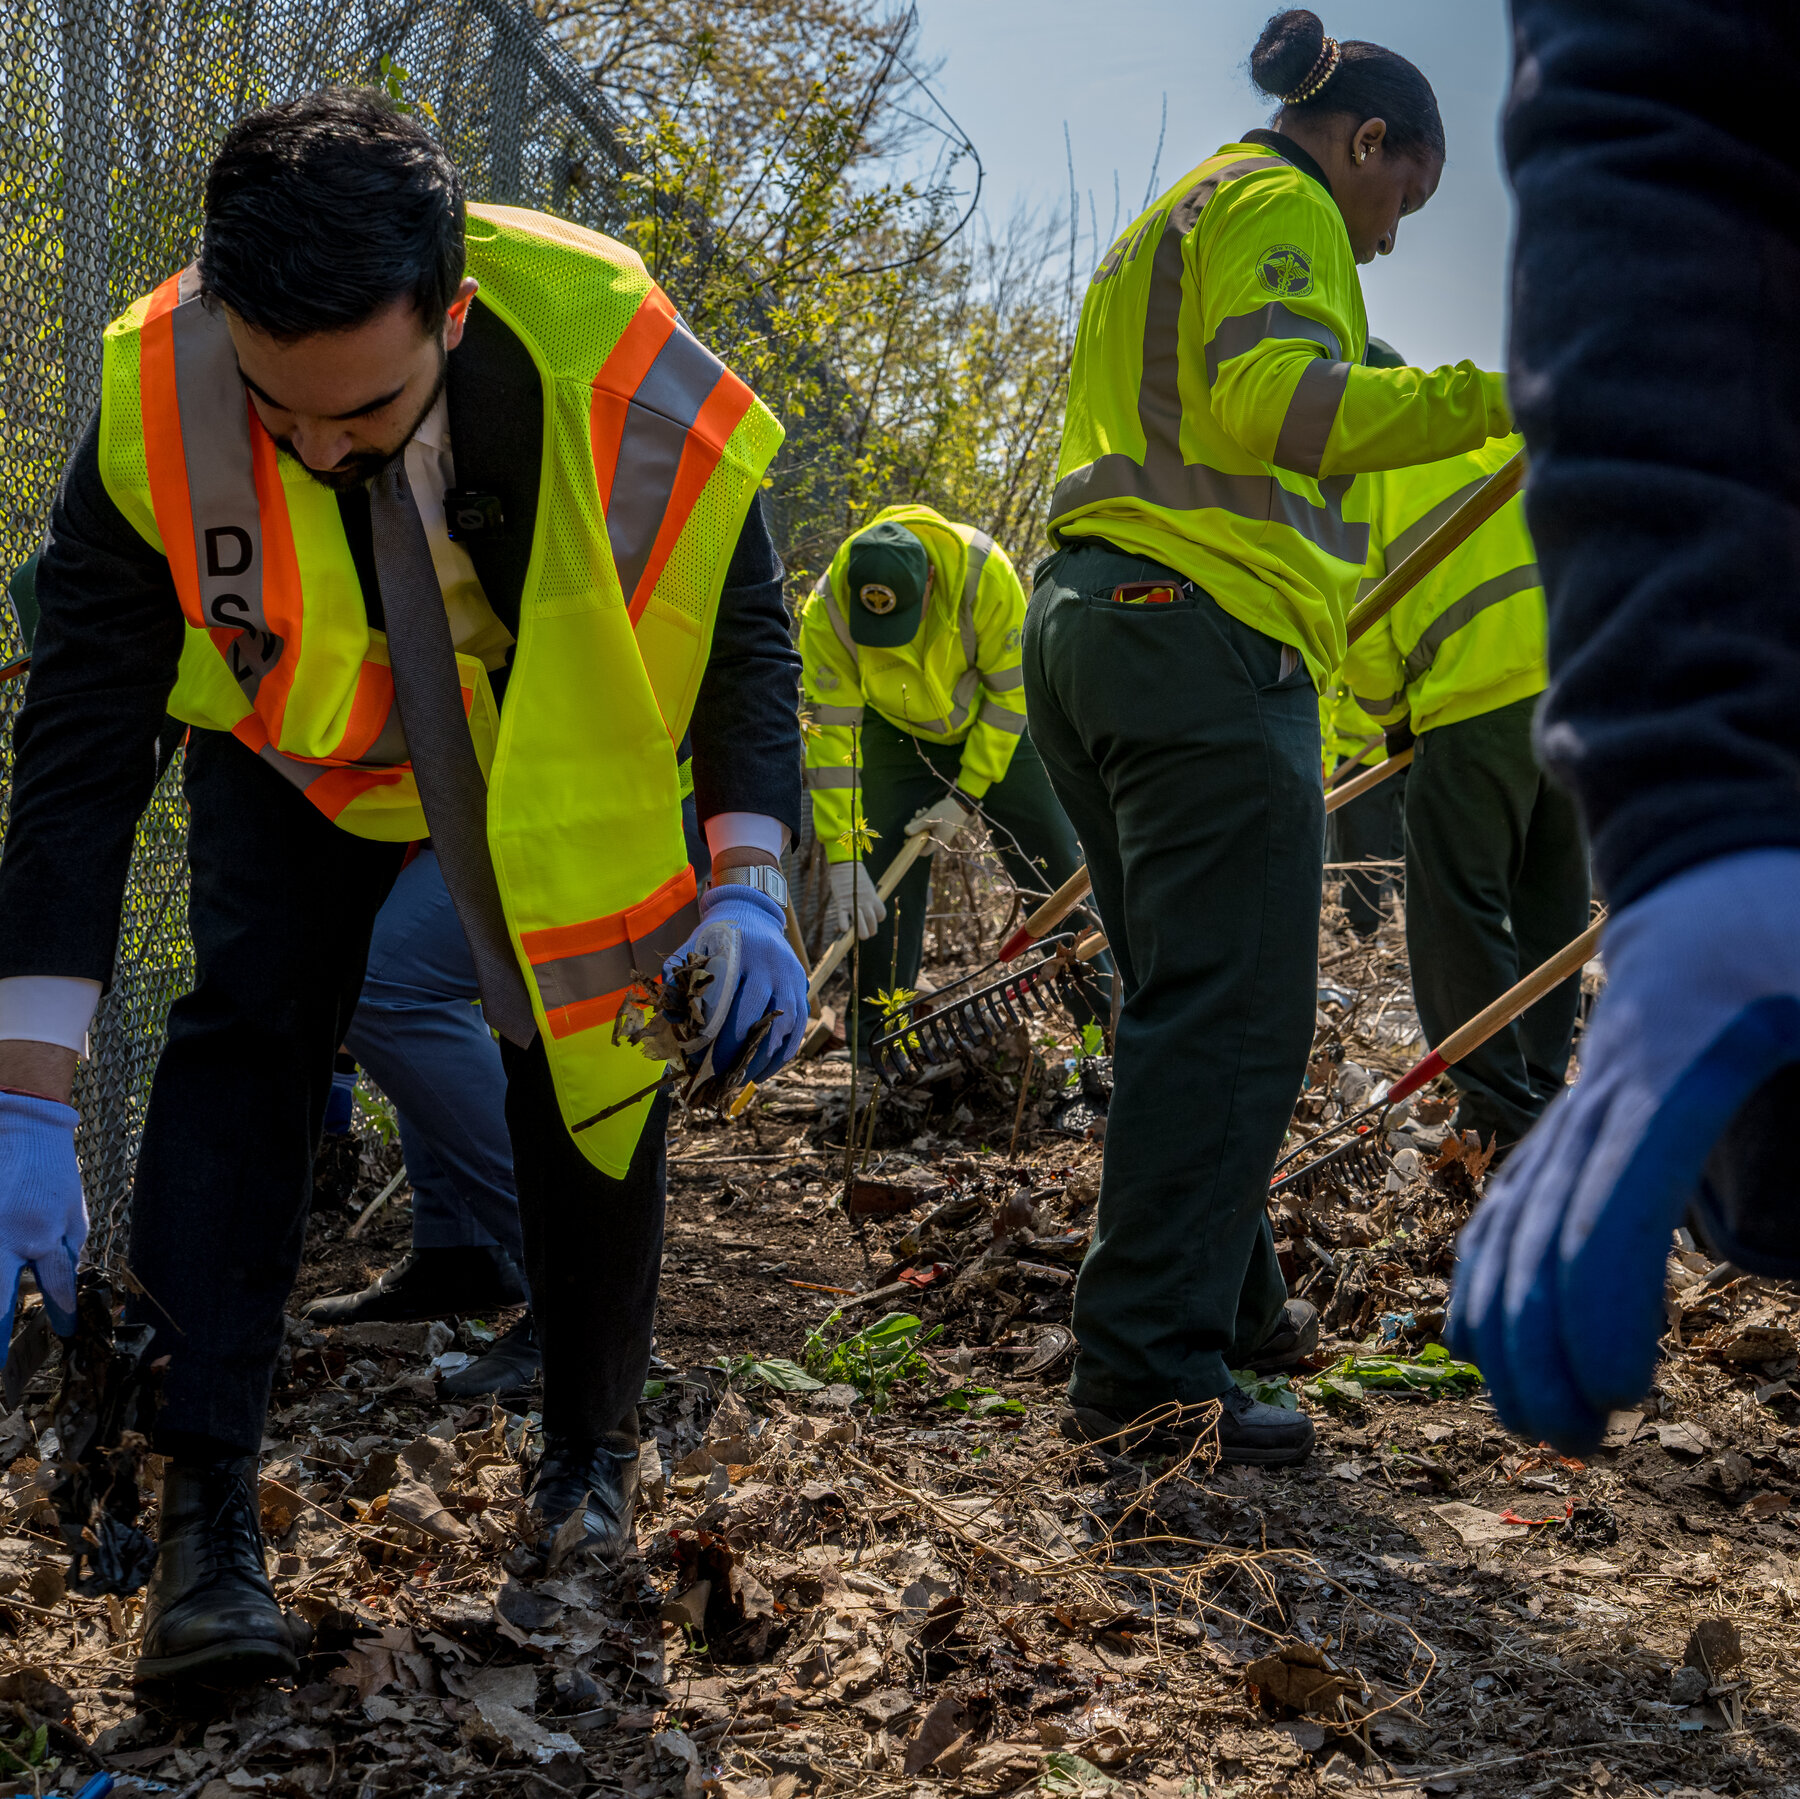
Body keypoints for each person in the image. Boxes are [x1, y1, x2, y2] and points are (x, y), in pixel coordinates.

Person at [0, 90, 807, 1685]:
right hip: (297, 750)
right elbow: (79, 759)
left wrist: (751, 880)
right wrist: (23, 1095)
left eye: (360, 413)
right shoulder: (151, 404)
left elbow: (744, 621)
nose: (311, 445)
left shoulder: (612, 359)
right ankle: (201, 1518)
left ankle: (588, 1459)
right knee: (243, 1040)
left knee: (589, 1057)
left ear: (451, 311)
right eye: (277, 406)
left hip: (545, 748)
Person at [1026, 9, 1513, 1465]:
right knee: (1234, 1013)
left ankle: (1233, 1304)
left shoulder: (1172, 218)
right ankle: (1152, 1370)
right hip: (1201, 638)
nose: (1385, 241)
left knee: (1185, 992)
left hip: (1096, 623)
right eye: (1403, 197)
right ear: (1367, 141)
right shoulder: (1282, 203)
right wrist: (1505, 397)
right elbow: (1277, 402)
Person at [1449, 0, 1800, 1453]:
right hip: (1493, 718)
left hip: (1541, 710)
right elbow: (1676, 119)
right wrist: (1710, 805)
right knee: (1475, 903)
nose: (1406, 228)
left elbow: (1657, 130)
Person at [1344, 424, 1589, 1153]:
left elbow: (1361, 631)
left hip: (1471, 704)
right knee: (1554, 912)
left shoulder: (1374, 465)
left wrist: (1393, 718)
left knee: (1459, 908)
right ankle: (1541, 1089)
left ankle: (1502, 1114)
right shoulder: (1504, 437)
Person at [800, 506, 1103, 1051]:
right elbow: (830, 743)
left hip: (998, 727)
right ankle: (883, 1047)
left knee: (1053, 863)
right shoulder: (828, 611)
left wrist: (964, 797)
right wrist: (844, 856)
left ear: (931, 580)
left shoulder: (982, 572)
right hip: (896, 735)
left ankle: (1106, 1021)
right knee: (882, 868)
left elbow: (1013, 697)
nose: (890, 644)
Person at [1320, 679, 1404, 936]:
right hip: (1361, 761)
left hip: (1414, 750)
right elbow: (1323, 697)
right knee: (1361, 861)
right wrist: (1317, 758)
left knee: (1413, 856)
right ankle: (1359, 937)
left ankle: (1419, 939)